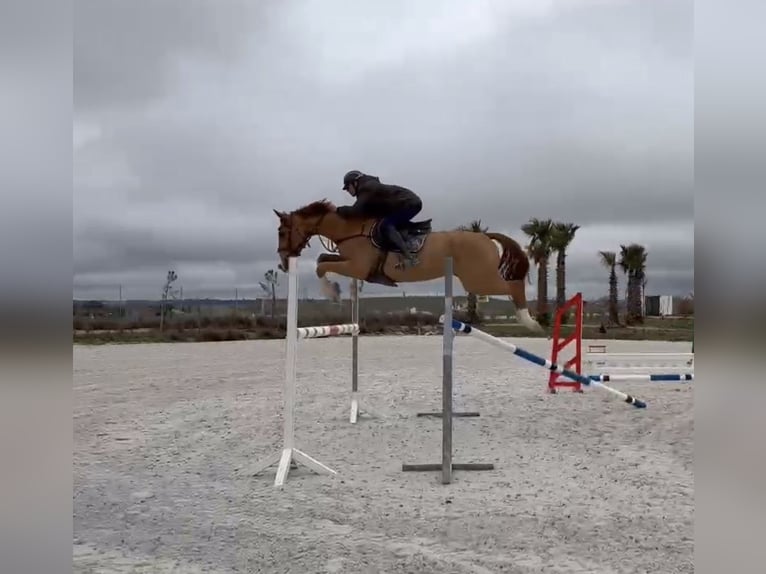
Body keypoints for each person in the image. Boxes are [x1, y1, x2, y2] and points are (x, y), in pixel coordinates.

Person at [337, 170, 423, 268]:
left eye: (348, 187)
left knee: (385, 225)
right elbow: (365, 213)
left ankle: (409, 256)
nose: (347, 191)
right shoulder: (367, 188)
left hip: (410, 203)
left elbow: (356, 211)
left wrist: (337, 210)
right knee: (384, 223)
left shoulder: (367, 188)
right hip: (404, 203)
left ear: (355, 183)